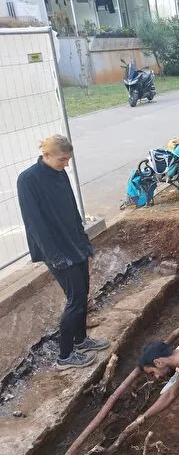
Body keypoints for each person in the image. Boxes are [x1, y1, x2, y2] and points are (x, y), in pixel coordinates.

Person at [17, 135, 109, 370]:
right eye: (62, 159)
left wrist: (83, 238)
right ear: (46, 155)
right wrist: (54, 256)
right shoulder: (28, 180)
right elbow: (34, 223)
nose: (66, 164)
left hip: (73, 242)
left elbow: (71, 206)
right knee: (75, 299)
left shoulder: (60, 173)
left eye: (68, 159)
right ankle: (65, 356)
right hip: (55, 249)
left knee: (83, 292)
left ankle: (81, 340)